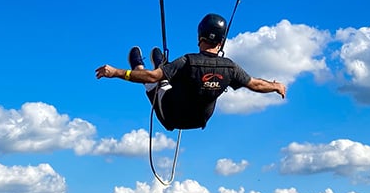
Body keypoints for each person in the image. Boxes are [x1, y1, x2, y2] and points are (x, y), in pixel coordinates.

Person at [95, 12, 286, 130]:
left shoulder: (188, 61)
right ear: (221, 42)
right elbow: (256, 84)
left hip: (171, 116)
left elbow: (152, 76)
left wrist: (117, 72)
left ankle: (138, 64)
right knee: (169, 81)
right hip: (197, 120)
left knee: (155, 83)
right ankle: (162, 64)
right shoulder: (230, 67)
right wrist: (275, 86)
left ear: (199, 37)